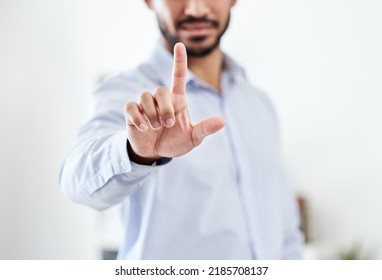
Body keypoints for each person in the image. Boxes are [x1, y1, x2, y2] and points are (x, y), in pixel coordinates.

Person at [60, 0, 303, 259]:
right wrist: (136, 152)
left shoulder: (259, 105)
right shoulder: (123, 93)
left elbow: (284, 230)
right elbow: (75, 183)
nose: (196, 10)